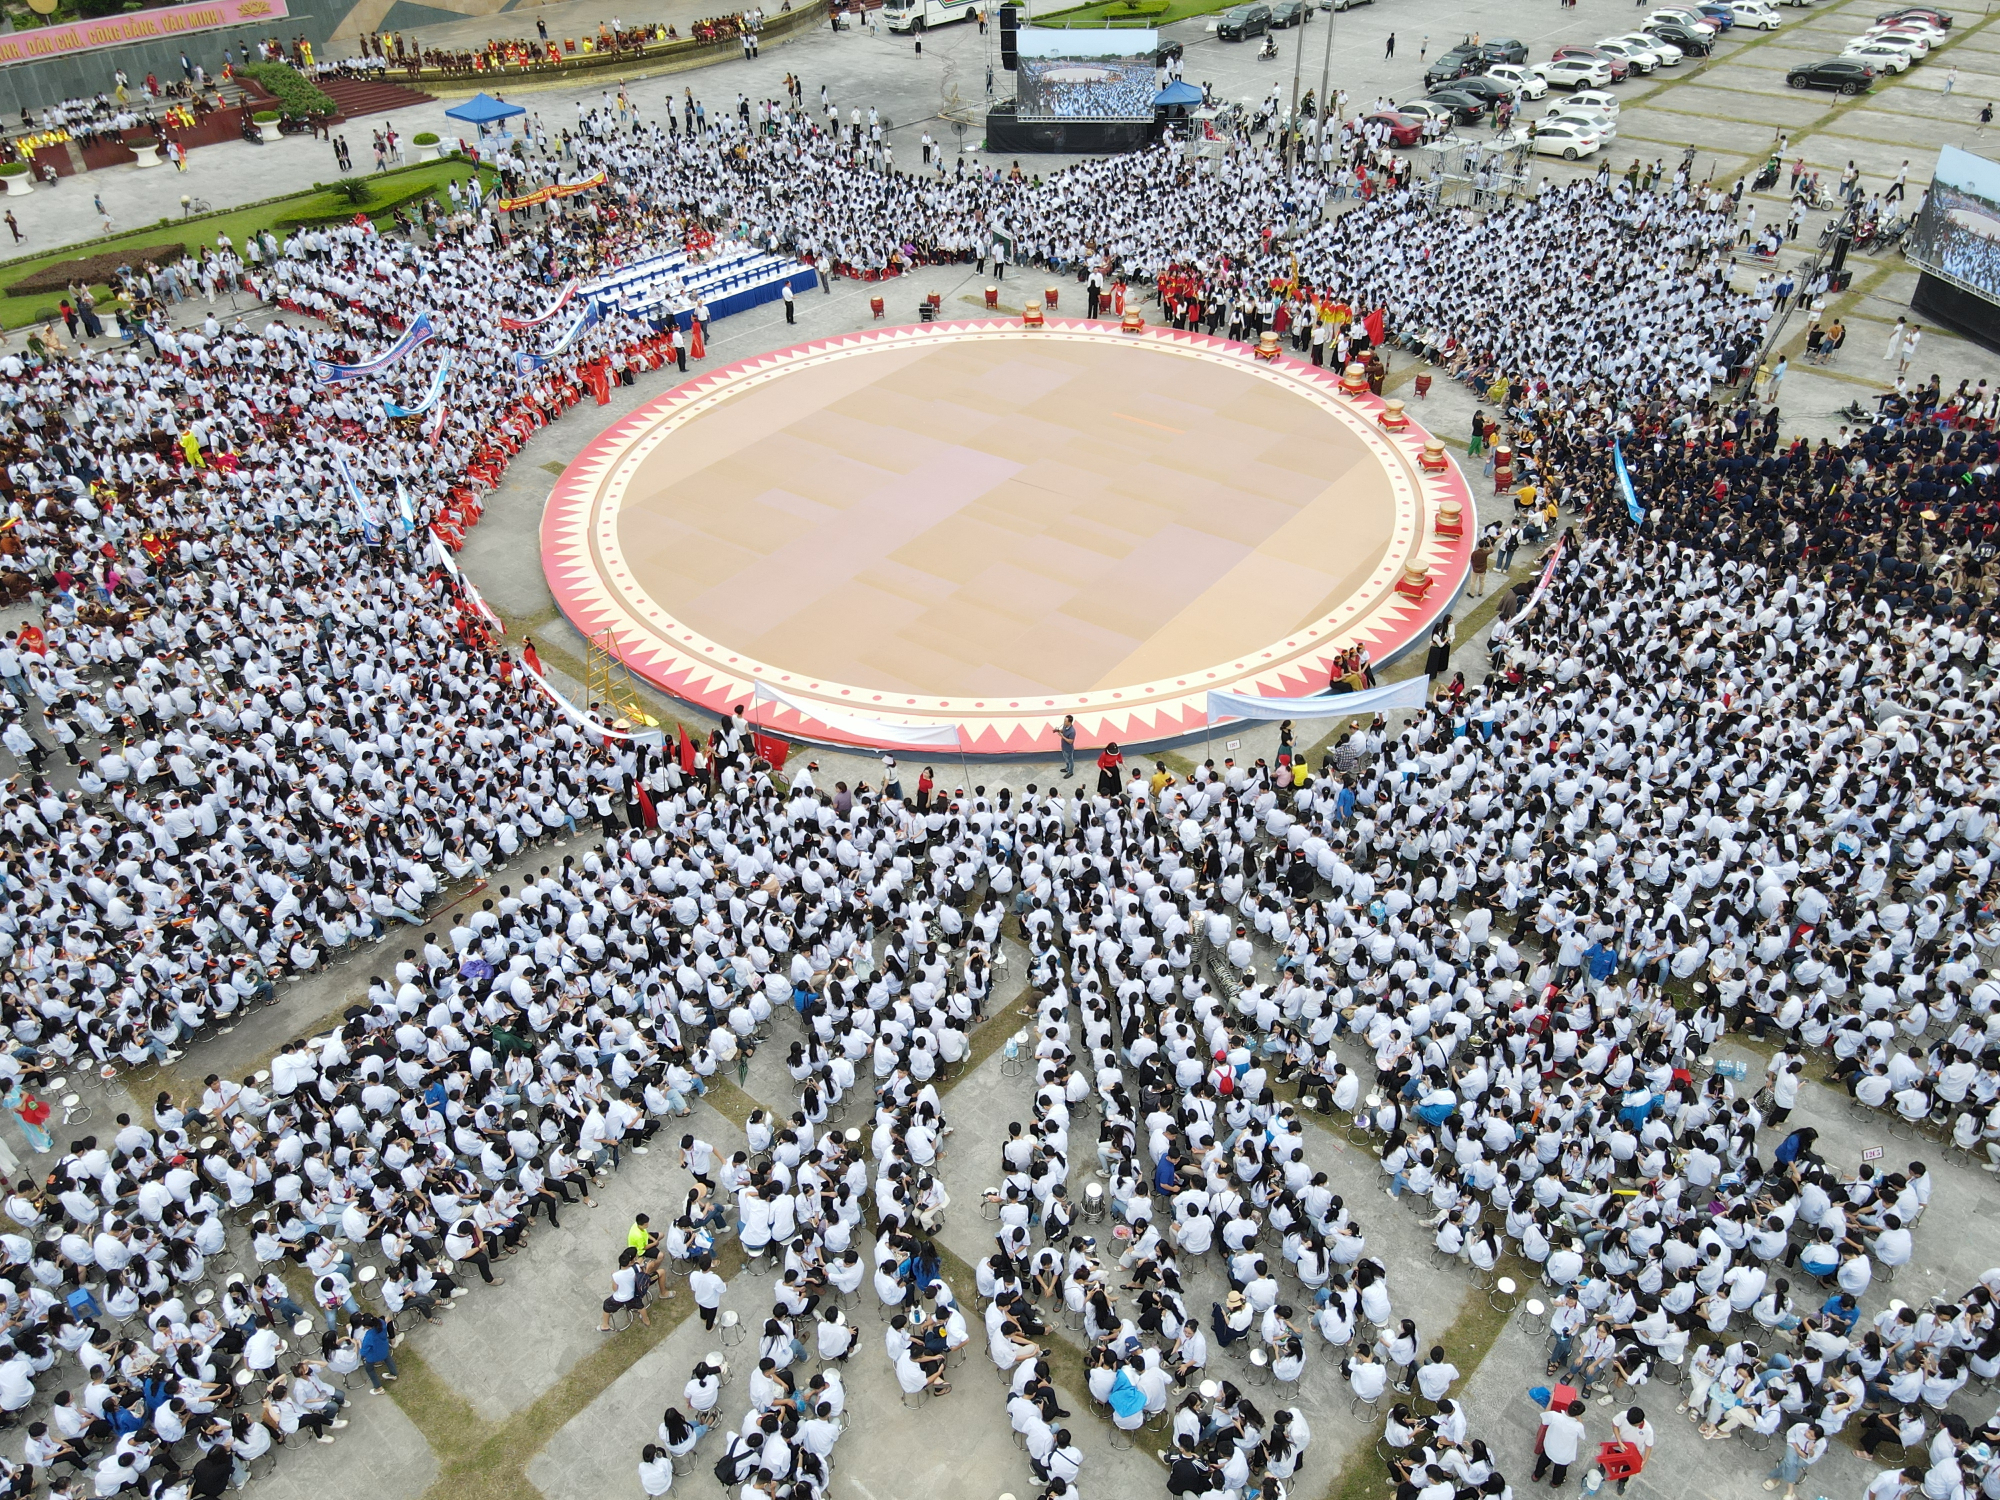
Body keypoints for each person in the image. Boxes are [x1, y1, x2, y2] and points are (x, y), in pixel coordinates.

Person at [1534, 1397, 1586, 1488]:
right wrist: (1578, 1416)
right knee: (1560, 1470)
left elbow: (1545, 1415)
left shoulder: (1555, 1416)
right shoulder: (1578, 1427)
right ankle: (1555, 1482)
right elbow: (1582, 1433)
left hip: (1549, 1448)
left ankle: (1536, 1475)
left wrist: (1552, 1399)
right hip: (1564, 1456)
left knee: (1543, 1461)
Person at [1059, 714, 1077, 778]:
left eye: (1065, 721)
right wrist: (1058, 730)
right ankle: (1067, 768)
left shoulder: (1072, 731)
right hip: (1063, 746)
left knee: (1070, 760)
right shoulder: (1065, 726)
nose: (1064, 722)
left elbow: (1070, 741)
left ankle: (1070, 772)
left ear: (1069, 722)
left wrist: (1062, 736)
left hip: (1068, 748)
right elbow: (1063, 730)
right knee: (1066, 759)